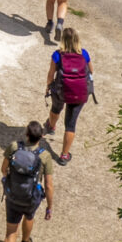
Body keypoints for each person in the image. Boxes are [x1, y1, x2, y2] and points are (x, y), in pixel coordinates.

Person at [0, 120, 55, 242]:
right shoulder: (44, 156)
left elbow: (3, 169)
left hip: (13, 196)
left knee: (10, 233)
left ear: (26, 134)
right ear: (41, 137)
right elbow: (49, 185)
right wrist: (49, 207)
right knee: (29, 217)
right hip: (31, 198)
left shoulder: (14, 147)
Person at [45, 26, 93, 164]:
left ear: (62, 40)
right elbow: (91, 71)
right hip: (79, 93)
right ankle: (64, 156)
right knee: (70, 125)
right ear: (77, 40)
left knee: (55, 109)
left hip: (60, 91)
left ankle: (51, 127)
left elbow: (51, 75)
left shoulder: (57, 55)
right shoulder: (84, 54)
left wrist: (48, 87)